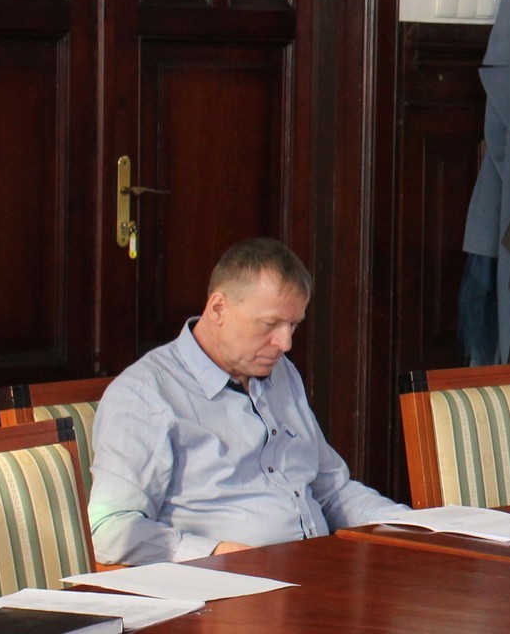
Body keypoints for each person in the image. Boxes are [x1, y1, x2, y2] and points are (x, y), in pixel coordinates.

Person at [88, 239, 408, 565]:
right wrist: (216, 554)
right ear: (218, 308)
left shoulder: (281, 372)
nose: (285, 343)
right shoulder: (144, 395)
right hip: (224, 585)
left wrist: (412, 525)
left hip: (318, 570)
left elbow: (332, 491)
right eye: (270, 325)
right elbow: (110, 528)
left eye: (293, 325)